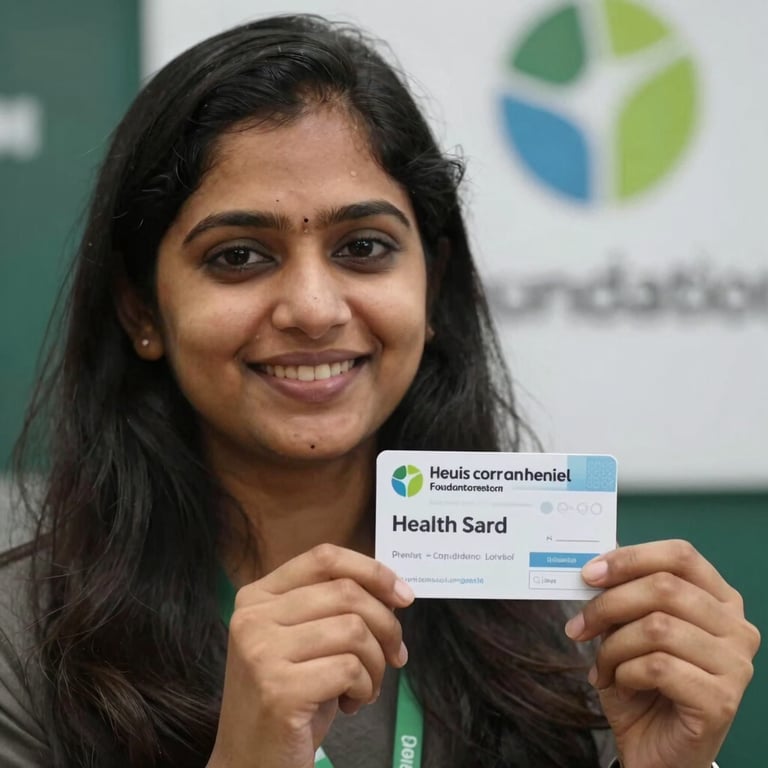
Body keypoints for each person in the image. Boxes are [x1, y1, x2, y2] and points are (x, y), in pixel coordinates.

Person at [1, 14, 759, 768]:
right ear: (142, 309)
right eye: (238, 256)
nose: (314, 308)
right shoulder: (24, 624)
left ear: (431, 285)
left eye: (363, 248)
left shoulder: (573, 620)